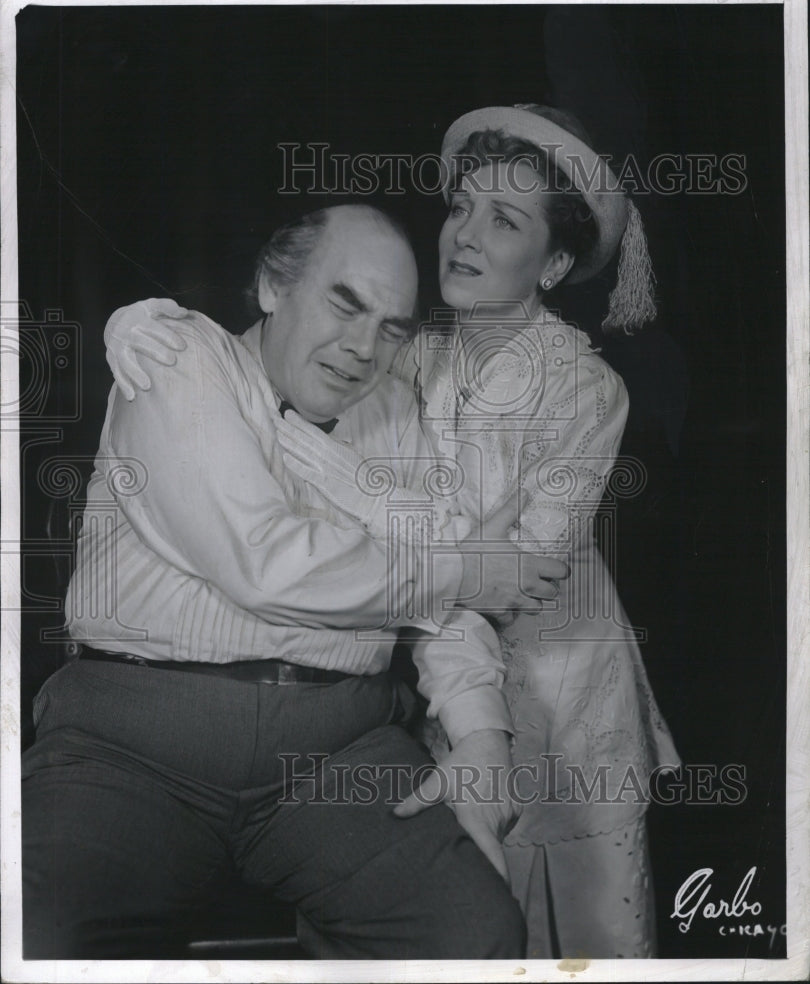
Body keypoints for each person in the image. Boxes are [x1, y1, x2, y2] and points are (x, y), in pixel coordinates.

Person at [114, 105, 680, 959]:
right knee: (428, 916)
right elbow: (271, 382)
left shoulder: (585, 389)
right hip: (436, 667)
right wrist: (146, 326)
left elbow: (519, 576)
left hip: (560, 689)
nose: (465, 235)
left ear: (556, 263)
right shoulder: (407, 345)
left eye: (505, 220)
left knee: (572, 937)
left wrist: (351, 485)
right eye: (461, 207)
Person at [23, 203, 574, 960]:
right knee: (42, 936)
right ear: (272, 287)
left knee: (473, 935)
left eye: (391, 329)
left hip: (337, 753)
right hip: (131, 750)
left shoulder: (394, 413)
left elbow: (440, 601)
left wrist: (482, 737)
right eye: (344, 305)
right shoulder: (179, 357)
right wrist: (463, 568)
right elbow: (266, 562)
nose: (362, 349)